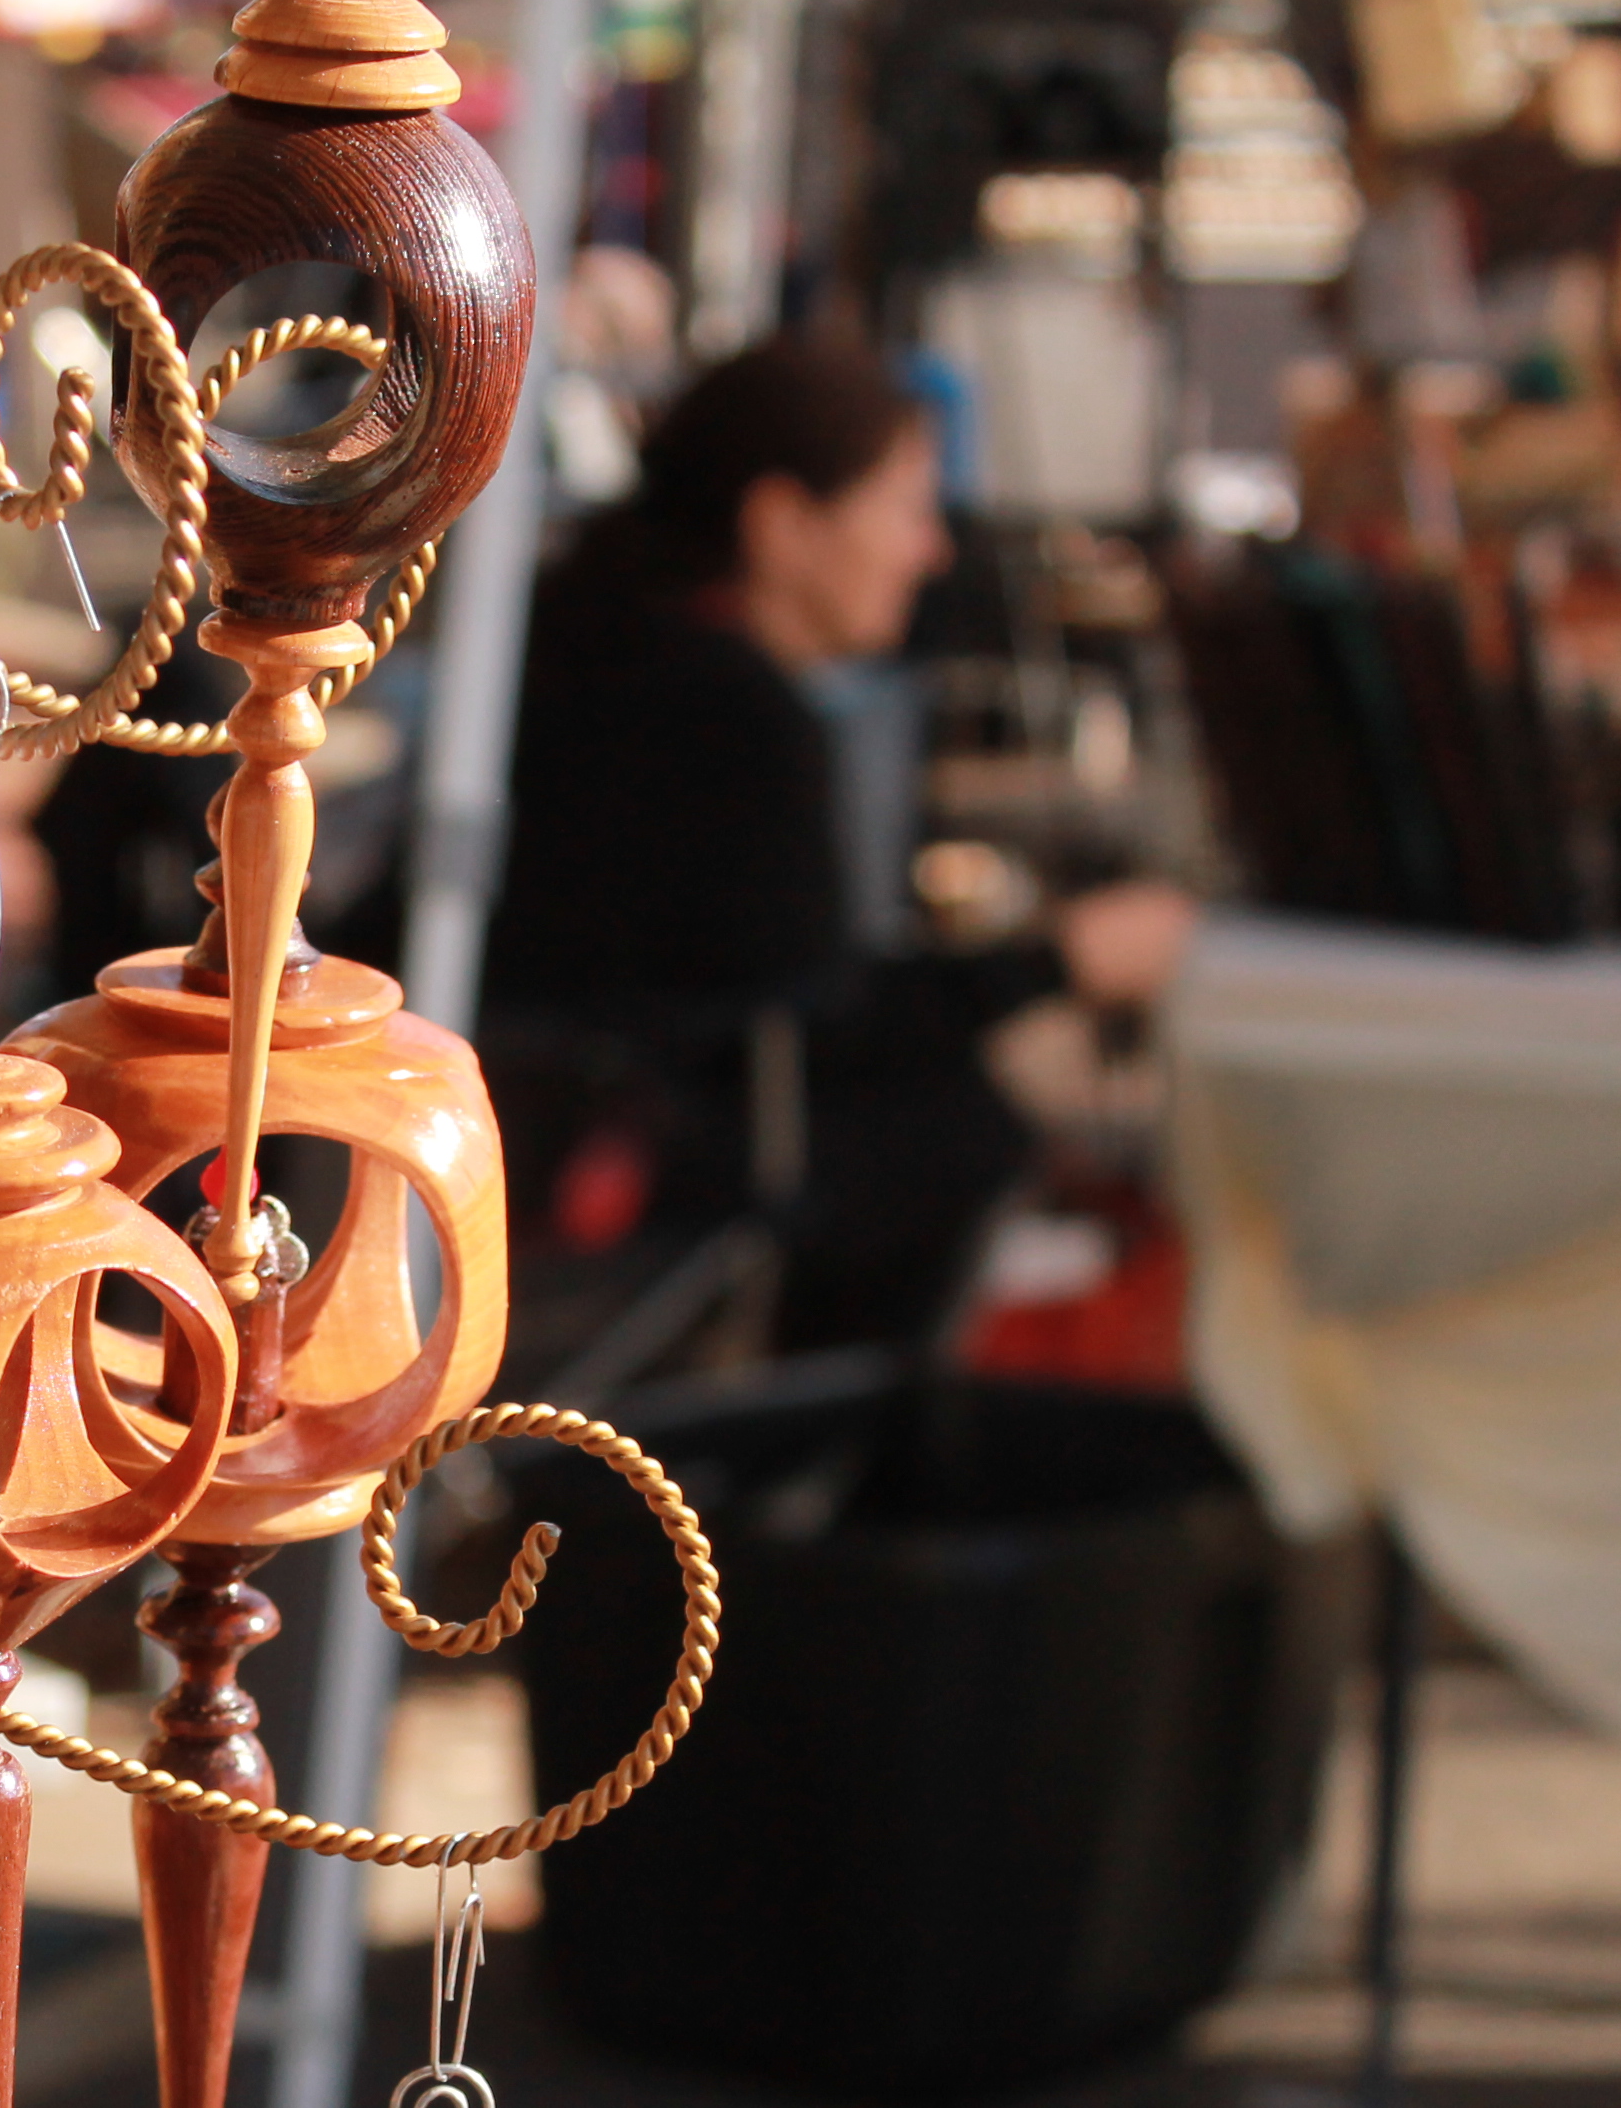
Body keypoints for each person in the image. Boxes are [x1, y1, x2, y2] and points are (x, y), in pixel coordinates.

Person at [485, 333, 1187, 1363]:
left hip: (558, 1117)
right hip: (606, 1178)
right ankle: (791, 1481)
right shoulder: (727, 709)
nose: (930, 550)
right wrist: (1059, 960)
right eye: (907, 507)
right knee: (968, 1128)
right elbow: (804, 1029)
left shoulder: (628, 658)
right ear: (781, 525)